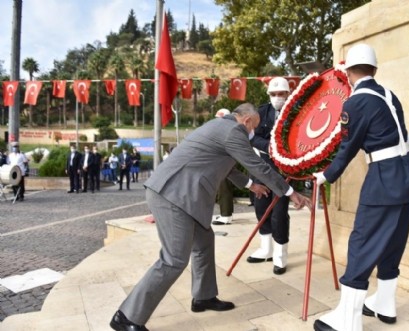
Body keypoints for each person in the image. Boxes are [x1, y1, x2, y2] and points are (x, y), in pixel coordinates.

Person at [110, 103, 311, 331]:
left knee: (204, 241)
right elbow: (256, 165)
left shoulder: (219, 127)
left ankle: (203, 297)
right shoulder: (234, 132)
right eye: (254, 126)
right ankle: (127, 316)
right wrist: (290, 192)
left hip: (183, 195)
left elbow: (228, 167)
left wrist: (250, 185)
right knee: (173, 260)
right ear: (247, 121)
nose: (254, 132)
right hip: (173, 195)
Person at [312, 44, 409, 331]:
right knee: (393, 241)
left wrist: (326, 175)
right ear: (374, 69)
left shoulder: (355, 102)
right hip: (407, 174)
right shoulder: (389, 95)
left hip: (383, 179)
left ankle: (348, 320)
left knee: (363, 242)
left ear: (348, 72)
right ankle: (385, 304)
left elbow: (349, 146)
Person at [248, 77, 292, 275]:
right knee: (260, 207)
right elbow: (251, 136)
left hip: (284, 168)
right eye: (273, 94)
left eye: (281, 94)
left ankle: (280, 256)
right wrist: (270, 147)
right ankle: (265, 249)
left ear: (288, 94)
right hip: (262, 165)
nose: (277, 98)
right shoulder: (261, 112)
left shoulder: (296, 112)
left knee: (279, 213)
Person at [211, 108, 235, 225]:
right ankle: (225, 213)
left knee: (224, 187)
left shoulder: (229, 130)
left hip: (225, 161)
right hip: (221, 161)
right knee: (222, 187)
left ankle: (226, 216)